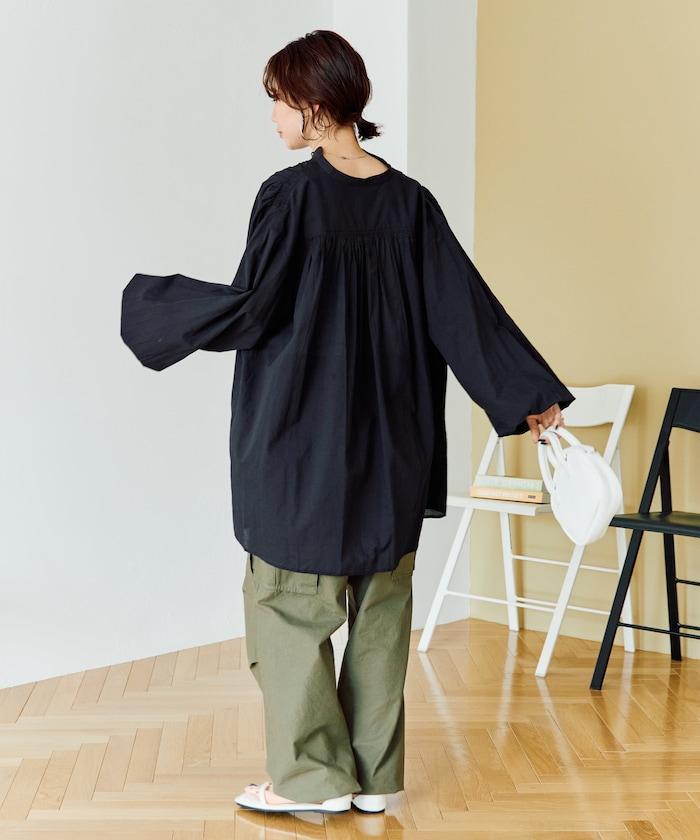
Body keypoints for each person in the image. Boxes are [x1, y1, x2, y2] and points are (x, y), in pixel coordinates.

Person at [120, 29, 575, 815]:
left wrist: (153, 307)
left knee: (288, 605)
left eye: (277, 100)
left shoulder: (290, 195)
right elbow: (464, 312)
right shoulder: (411, 203)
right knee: (381, 607)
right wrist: (527, 394)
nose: (272, 115)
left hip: (301, 437)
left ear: (315, 102)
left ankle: (311, 780)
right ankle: (373, 779)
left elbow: (254, 308)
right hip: (395, 439)